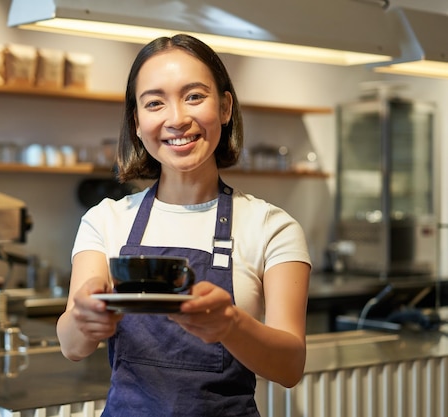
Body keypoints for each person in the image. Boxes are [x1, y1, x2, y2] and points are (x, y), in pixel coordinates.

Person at [56, 33, 311, 416]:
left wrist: (230, 325)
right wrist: (84, 316)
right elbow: (72, 347)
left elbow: (289, 367)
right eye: (155, 103)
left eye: (194, 96)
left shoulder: (272, 227)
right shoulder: (105, 220)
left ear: (225, 107)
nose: (177, 119)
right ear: (137, 122)